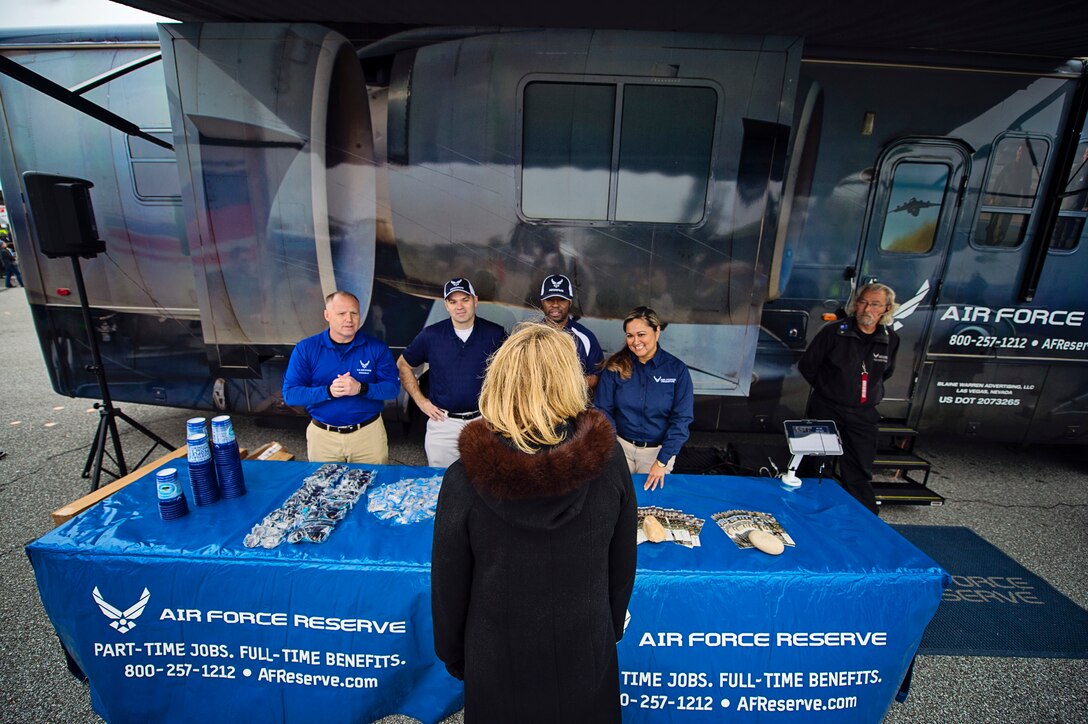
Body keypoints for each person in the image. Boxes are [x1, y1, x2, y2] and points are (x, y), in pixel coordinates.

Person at [431, 323, 637, 723]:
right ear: (569, 381)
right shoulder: (609, 462)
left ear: (500, 381)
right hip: (585, 656)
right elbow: (623, 567)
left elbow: (448, 586)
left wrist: (456, 656)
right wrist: (606, 631)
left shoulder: (464, 479)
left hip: (497, 663)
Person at [798, 282, 900, 515]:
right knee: (815, 465)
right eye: (863, 302)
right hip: (827, 408)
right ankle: (806, 513)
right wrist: (831, 391)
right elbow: (808, 365)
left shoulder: (890, 339)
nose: (867, 309)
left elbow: (886, 373)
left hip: (863, 414)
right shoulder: (834, 332)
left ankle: (863, 521)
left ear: (885, 309)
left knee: (858, 470)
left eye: (875, 304)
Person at [397, 278, 506, 467]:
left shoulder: (495, 334)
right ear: (446, 305)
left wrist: (499, 409)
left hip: (483, 422)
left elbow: (511, 373)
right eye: (453, 301)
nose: (459, 306)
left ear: (475, 301)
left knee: (484, 482)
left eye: (465, 299)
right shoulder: (431, 335)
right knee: (441, 483)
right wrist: (422, 402)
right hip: (443, 424)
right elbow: (403, 365)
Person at [283, 291, 400, 463]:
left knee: (374, 485)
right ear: (327, 315)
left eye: (354, 313)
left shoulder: (376, 348)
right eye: (341, 313)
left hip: (368, 435)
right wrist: (328, 391)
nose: (349, 319)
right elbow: (290, 395)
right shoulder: (306, 349)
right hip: (324, 437)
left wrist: (361, 388)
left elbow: (392, 389)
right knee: (326, 488)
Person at [594, 307, 694, 491]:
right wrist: (612, 448)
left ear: (657, 331)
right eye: (630, 336)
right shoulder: (616, 367)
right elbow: (602, 410)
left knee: (648, 507)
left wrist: (662, 462)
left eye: (641, 334)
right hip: (620, 447)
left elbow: (682, 420)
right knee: (615, 500)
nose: (635, 341)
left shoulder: (677, 370)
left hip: (657, 453)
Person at [538, 273, 603, 389]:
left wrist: (562, 386)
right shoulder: (528, 335)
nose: (555, 305)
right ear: (542, 302)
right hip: (535, 404)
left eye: (562, 299)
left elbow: (595, 378)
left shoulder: (585, 338)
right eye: (549, 300)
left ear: (570, 302)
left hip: (572, 405)